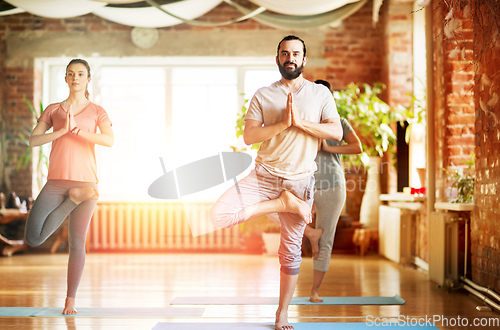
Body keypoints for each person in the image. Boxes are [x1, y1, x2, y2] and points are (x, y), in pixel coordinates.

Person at [209, 36, 342, 330]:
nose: (290, 57)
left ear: (304, 60)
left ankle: (282, 314)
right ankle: (281, 204)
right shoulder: (263, 95)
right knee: (217, 215)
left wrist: (299, 123)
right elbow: (249, 137)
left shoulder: (320, 94)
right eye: (285, 53)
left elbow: (335, 131)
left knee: (290, 250)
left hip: (299, 182)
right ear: (278, 58)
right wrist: (282, 123)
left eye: (296, 53)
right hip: (264, 176)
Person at [24, 59, 114, 315]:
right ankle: (73, 199)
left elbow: (109, 140)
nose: (75, 77)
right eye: (71, 73)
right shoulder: (53, 110)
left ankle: (70, 300)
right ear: (65, 78)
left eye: (81, 74)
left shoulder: (97, 111)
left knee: (77, 243)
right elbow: (33, 141)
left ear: (88, 79)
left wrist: (79, 131)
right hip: (57, 182)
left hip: (86, 182)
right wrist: (61, 130)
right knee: (33, 237)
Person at [304, 79, 363, 303]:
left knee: (327, 237)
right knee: (284, 215)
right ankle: (310, 233)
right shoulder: (304, 122)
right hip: (305, 183)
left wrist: (328, 146)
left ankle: (314, 292)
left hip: (332, 184)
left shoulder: (339, 123)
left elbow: (357, 147)